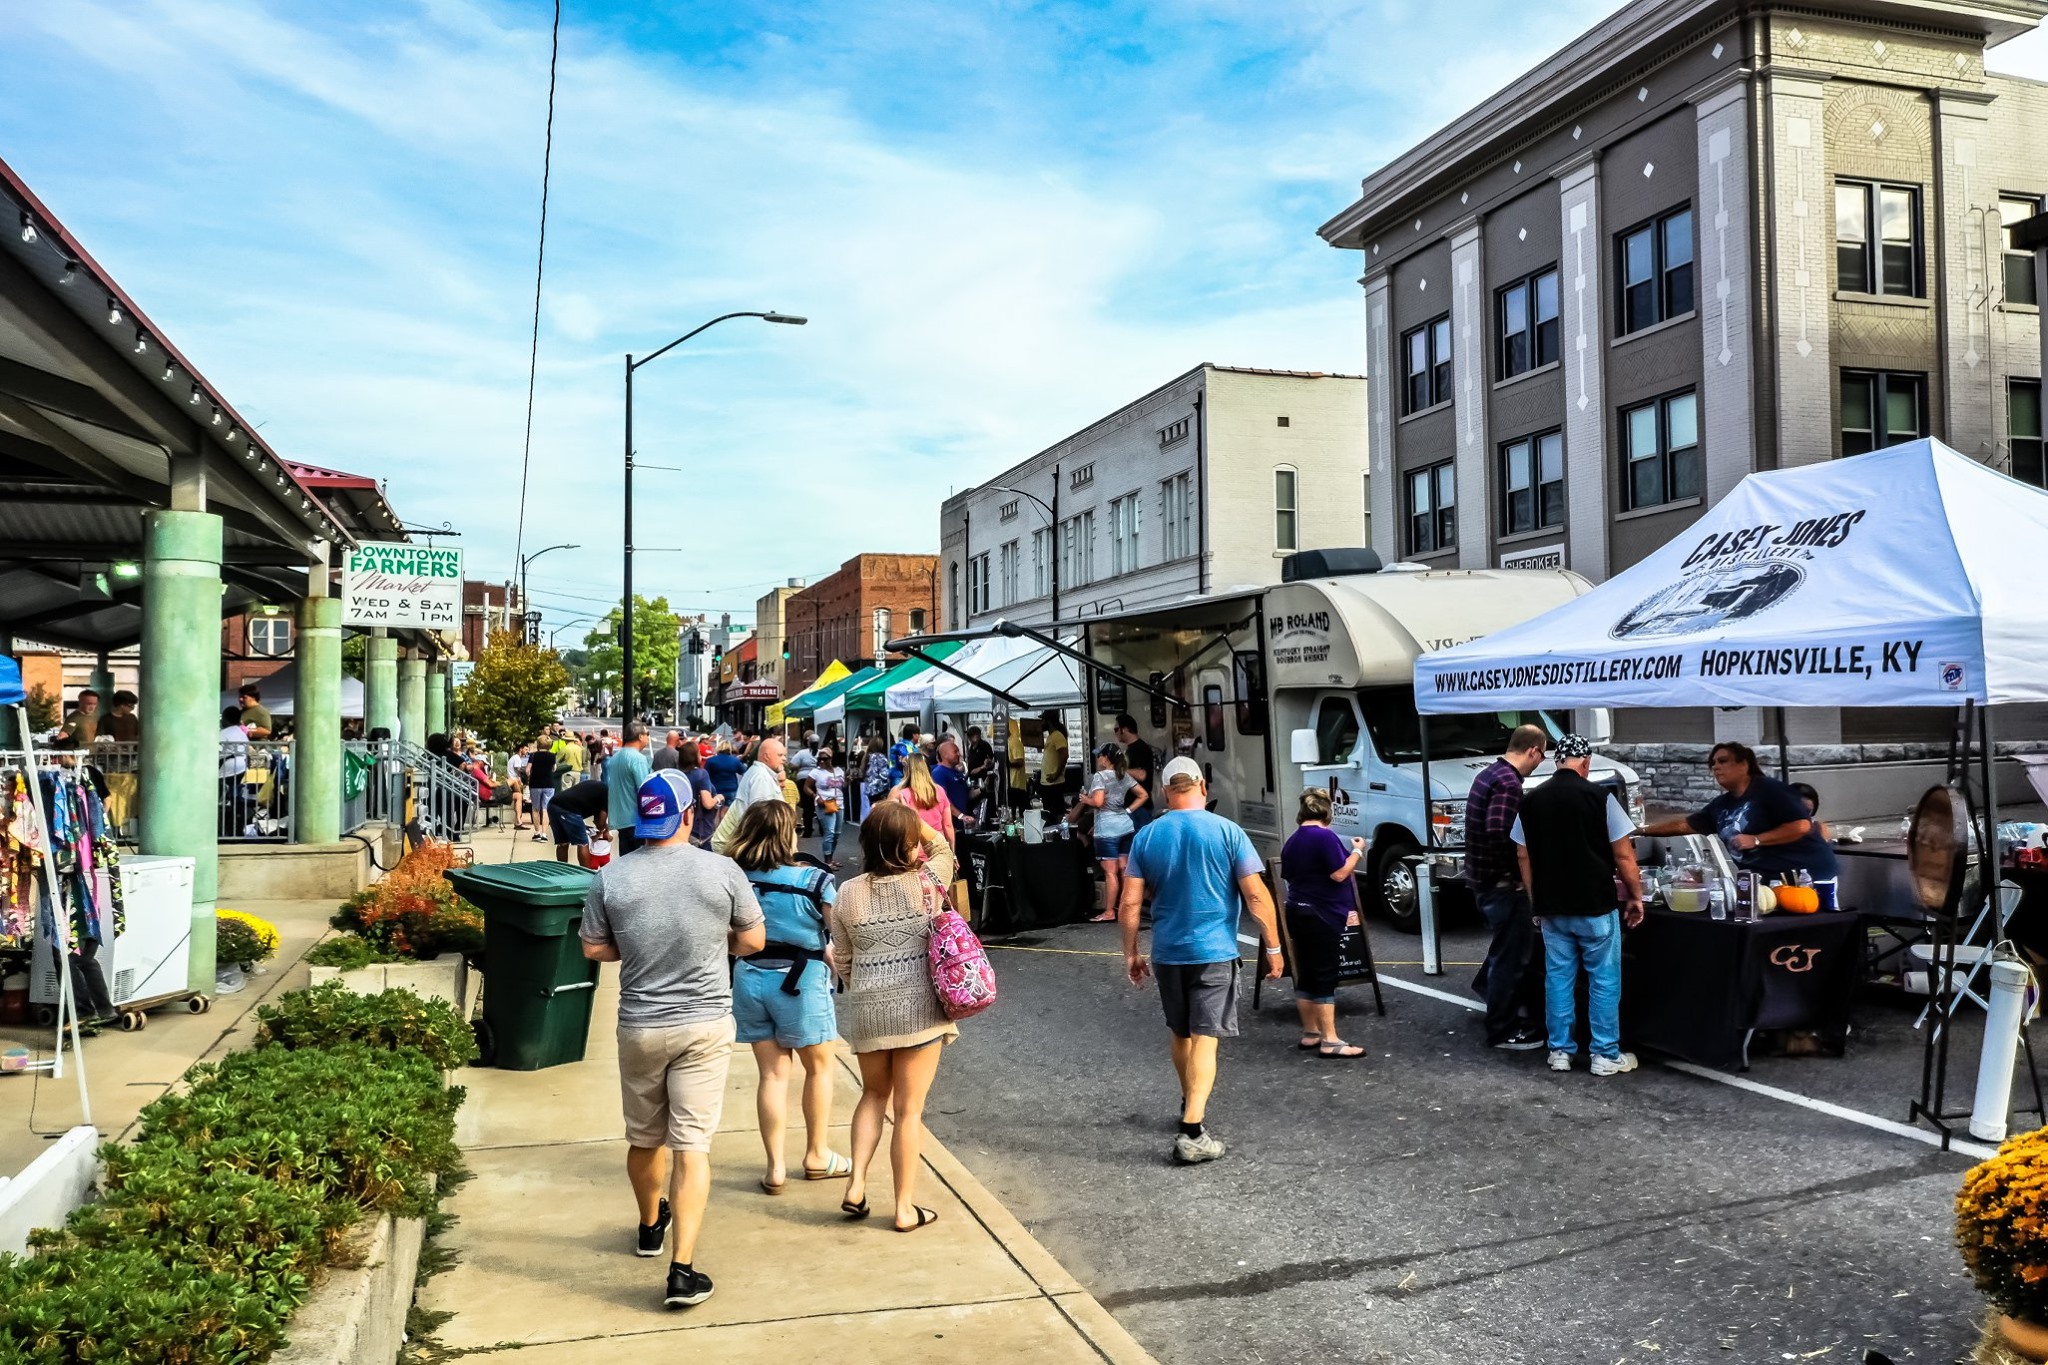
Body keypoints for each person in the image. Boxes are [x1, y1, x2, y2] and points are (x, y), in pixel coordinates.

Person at [580, 770, 766, 1310]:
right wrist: (712, 940)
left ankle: (647, 1226)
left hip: (640, 1024)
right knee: (692, 1147)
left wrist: (636, 951)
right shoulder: (722, 871)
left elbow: (593, 949)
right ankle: (682, 1271)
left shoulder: (611, 878)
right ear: (688, 816)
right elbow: (753, 939)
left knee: (644, 1138)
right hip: (704, 1025)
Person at [1120, 756, 1284, 1165]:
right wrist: (1275, 947)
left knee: (1181, 1032)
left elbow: (1130, 902)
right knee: (1206, 1038)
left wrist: (1131, 953)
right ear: (1202, 786)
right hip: (1214, 952)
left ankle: (1187, 1098)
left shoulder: (1147, 837)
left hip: (1169, 953)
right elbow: (1258, 895)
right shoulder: (1228, 832)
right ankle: (1193, 1130)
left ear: (1163, 792)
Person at [830, 802, 958, 1232]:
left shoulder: (847, 893)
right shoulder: (927, 882)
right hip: (919, 1010)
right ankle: (904, 1208)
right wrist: (913, 819)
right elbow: (943, 847)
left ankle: (856, 1182)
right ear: (908, 843)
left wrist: (864, 986)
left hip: (868, 1009)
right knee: (908, 1112)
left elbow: (842, 959)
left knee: (872, 1095)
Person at [726, 802, 848, 1194]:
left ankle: (775, 1167)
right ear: (787, 833)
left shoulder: (736, 878)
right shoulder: (814, 881)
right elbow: (841, 939)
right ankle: (816, 1154)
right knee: (819, 1069)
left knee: (773, 1075)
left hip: (749, 978)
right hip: (800, 982)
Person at [1512, 734, 1645, 1077]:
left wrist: (1534, 899)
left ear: (1556, 762)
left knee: (1558, 978)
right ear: (1586, 763)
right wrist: (1635, 895)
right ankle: (1604, 1054)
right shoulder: (1601, 798)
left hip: (1552, 906)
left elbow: (1523, 854)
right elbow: (1624, 855)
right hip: (1595, 904)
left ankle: (1559, 1051)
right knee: (1603, 980)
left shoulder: (1530, 801)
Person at [1636, 742, 1839, 883]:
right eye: (1713, 763)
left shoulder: (1770, 790)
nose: (1716, 767)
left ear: (1744, 764)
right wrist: (1640, 831)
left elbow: (1801, 825)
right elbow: (1686, 825)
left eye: (1723, 761)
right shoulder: (1721, 805)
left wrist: (1757, 840)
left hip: (1807, 878)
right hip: (1765, 883)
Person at [1464, 725, 1550, 1052]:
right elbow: (1502, 831)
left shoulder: (1488, 774)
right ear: (1533, 751)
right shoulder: (1509, 783)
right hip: (1501, 884)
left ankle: (1487, 989)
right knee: (1510, 958)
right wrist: (1519, 875)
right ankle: (1502, 1028)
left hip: (1482, 880)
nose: (1540, 763)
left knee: (1503, 949)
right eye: (1542, 756)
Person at [1279, 788, 1368, 1058]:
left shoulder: (1292, 841)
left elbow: (1290, 876)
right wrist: (1357, 851)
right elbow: (1339, 874)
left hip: (1297, 911)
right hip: (1323, 913)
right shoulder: (1324, 837)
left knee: (1305, 973)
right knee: (1325, 975)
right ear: (1328, 813)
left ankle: (1310, 1033)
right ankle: (1330, 1040)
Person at [1079, 743, 1147, 923]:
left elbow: (1099, 802)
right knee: (1124, 868)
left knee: (1110, 872)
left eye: (1099, 755)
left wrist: (1087, 799)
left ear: (1106, 758)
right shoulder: (1122, 775)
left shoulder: (1099, 777)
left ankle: (1109, 911)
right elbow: (1143, 795)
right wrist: (1129, 811)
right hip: (1125, 827)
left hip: (1107, 829)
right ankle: (1127, 908)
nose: (1098, 758)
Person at [714, 736, 788, 855]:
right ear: (766, 756)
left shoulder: (759, 773)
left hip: (742, 846)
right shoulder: (761, 778)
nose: (784, 759)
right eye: (780, 755)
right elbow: (762, 818)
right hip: (746, 849)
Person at [891, 752, 955, 851]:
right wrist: (952, 853)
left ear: (907, 771)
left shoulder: (900, 793)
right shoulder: (939, 791)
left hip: (912, 852)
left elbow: (891, 826)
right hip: (937, 851)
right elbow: (948, 825)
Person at [607, 724, 655, 855]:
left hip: (620, 819)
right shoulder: (638, 759)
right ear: (640, 736)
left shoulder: (615, 758)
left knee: (626, 862)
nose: (648, 738)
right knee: (640, 865)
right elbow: (645, 790)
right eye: (647, 734)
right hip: (636, 820)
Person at [547, 776, 610, 866]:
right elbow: (600, 824)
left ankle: (562, 873)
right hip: (569, 809)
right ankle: (586, 874)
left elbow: (597, 821)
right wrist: (607, 828)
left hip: (553, 804)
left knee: (563, 843)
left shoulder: (600, 788)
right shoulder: (607, 795)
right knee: (583, 843)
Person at [1113, 714, 1155, 829]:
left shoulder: (1140, 748)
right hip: (1133, 805)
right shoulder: (1130, 749)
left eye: (1116, 729)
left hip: (1140, 808)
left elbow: (1142, 774)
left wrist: (1120, 769)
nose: (1115, 733)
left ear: (1125, 729)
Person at [218, 705, 251, 837]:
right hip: (241, 767)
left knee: (224, 797)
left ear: (225, 719)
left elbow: (217, 752)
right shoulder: (240, 732)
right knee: (235, 795)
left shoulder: (224, 733)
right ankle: (237, 826)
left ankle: (226, 828)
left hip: (228, 768)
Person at [812, 750, 848, 870]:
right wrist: (817, 797)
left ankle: (831, 858)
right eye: (820, 759)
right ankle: (827, 861)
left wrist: (848, 779)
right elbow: (806, 787)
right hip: (825, 804)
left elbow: (844, 786)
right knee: (829, 832)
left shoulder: (839, 771)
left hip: (839, 804)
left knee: (837, 834)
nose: (822, 761)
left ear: (831, 758)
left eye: (825, 759)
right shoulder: (816, 772)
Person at [931, 738, 973, 835]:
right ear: (945, 755)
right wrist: (960, 815)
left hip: (962, 825)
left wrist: (982, 789)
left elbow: (966, 795)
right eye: (955, 752)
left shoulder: (957, 772)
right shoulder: (939, 773)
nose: (959, 754)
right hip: (950, 826)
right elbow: (942, 798)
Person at [1036, 711, 1069, 807]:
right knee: (1049, 812)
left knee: (1055, 812)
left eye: (1043, 720)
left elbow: (1064, 755)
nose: (1041, 723)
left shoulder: (1057, 736)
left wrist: (1056, 774)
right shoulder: (1051, 736)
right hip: (1048, 782)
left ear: (1048, 721)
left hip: (1054, 783)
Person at [790, 734, 819, 838]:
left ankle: (808, 831)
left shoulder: (802, 753)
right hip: (817, 779)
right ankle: (823, 829)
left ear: (808, 742)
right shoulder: (820, 753)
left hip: (803, 779)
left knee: (807, 807)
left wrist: (799, 767)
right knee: (818, 804)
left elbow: (792, 764)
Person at [706, 740, 745, 807]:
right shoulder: (735, 761)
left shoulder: (711, 760)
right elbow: (744, 772)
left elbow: (706, 775)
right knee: (728, 813)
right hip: (731, 789)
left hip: (716, 790)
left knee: (716, 813)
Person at [1005, 720, 1028, 817]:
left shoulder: (1014, 742)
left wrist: (1006, 763)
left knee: (1018, 815)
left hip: (1016, 784)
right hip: (1009, 784)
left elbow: (1020, 762)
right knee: (1011, 814)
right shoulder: (1006, 742)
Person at [508, 743, 532, 829]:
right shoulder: (517, 758)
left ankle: (517, 820)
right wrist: (528, 771)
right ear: (520, 749)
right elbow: (519, 769)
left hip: (514, 781)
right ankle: (518, 821)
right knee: (520, 798)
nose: (526, 752)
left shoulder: (515, 758)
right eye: (525, 749)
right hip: (515, 782)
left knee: (518, 799)